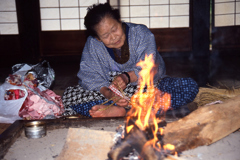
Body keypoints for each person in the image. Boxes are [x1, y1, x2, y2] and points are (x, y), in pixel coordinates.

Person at [62, 2, 199, 118]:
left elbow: (151, 66)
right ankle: (122, 110)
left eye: (114, 29)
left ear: (120, 22)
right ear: (98, 38)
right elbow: (90, 76)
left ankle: (134, 107)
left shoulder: (140, 33)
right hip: (111, 96)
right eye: (105, 35)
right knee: (69, 96)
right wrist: (110, 94)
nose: (113, 37)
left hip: (146, 89)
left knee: (189, 86)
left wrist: (127, 77)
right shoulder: (93, 44)